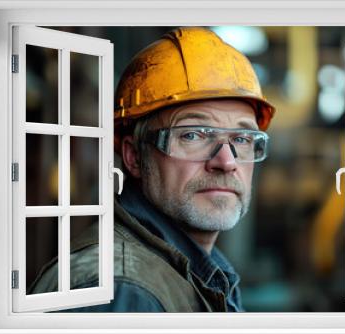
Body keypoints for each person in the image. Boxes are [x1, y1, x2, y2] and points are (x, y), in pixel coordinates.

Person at [30, 27, 276, 312]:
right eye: (193, 135)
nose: (226, 162)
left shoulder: (198, 276)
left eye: (242, 139)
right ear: (134, 156)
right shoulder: (122, 292)